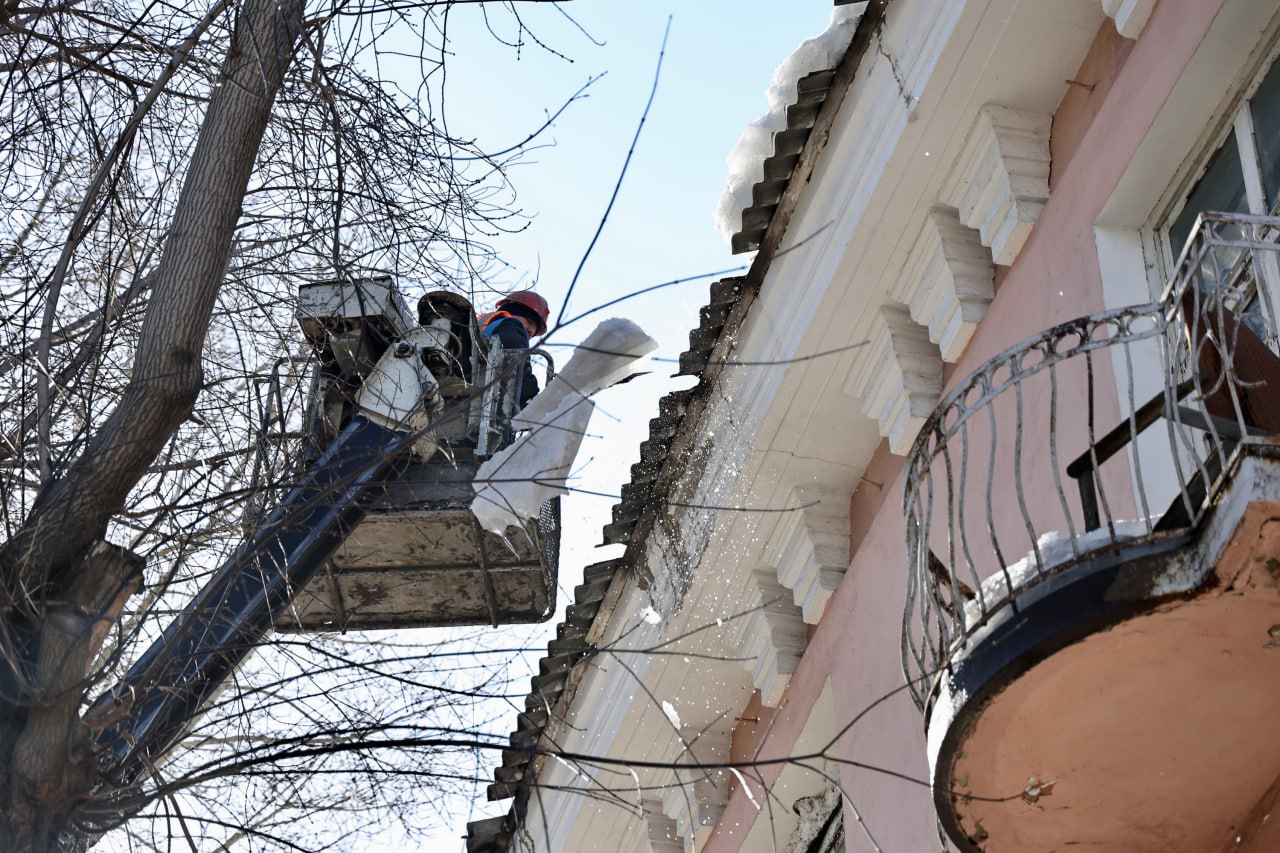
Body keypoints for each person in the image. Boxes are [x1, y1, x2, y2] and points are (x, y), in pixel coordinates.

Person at [478, 290, 549, 407]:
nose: (530, 331)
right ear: (513, 311)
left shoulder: (484, 326)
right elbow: (519, 367)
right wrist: (532, 398)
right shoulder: (511, 325)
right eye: (529, 321)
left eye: (532, 334)